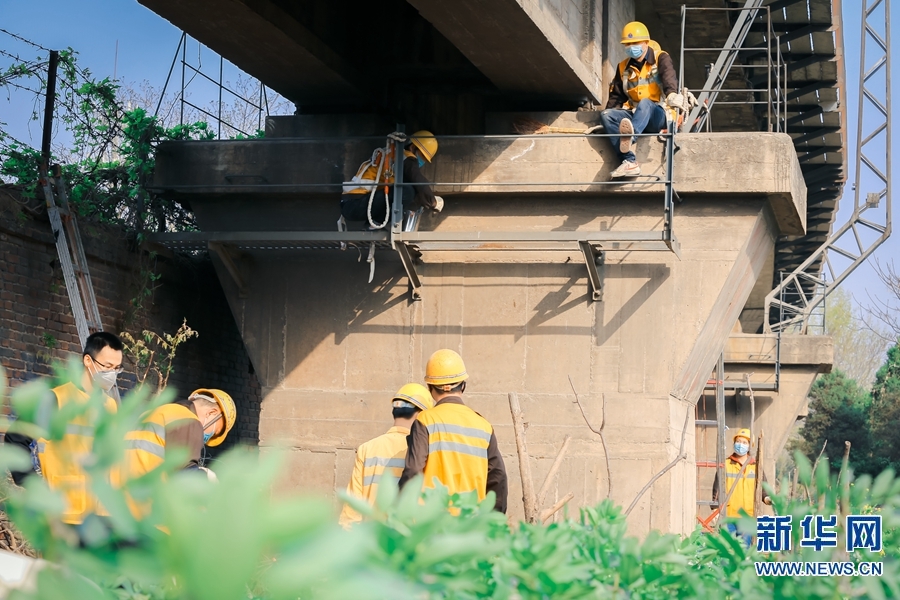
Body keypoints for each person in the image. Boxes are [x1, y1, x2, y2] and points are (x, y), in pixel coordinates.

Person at [6, 331, 123, 526]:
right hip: (62, 516)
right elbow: (15, 438)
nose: (112, 374)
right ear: (88, 360)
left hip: (99, 520)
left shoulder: (109, 406)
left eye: (117, 368)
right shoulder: (56, 399)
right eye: (108, 366)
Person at [399, 349, 508, 513]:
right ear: (463, 385)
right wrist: (492, 521)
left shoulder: (425, 421)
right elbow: (498, 477)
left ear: (430, 387)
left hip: (433, 524)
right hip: (469, 525)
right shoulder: (484, 426)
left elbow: (413, 471)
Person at [339, 383, 434, 527]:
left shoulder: (367, 449)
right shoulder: (423, 450)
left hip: (372, 540)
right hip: (405, 538)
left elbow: (352, 508)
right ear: (421, 415)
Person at [599, 21, 682, 179]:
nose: (631, 47)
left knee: (645, 102)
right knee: (607, 115)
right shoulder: (623, 67)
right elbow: (616, 98)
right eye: (628, 44)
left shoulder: (660, 58)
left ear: (646, 42)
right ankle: (629, 162)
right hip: (637, 116)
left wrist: (671, 94)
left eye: (635, 43)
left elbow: (669, 77)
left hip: (660, 115)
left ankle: (629, 138)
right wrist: (607, 123)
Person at [121, 388, 236, 481]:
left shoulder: (155, 413)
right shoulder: (187, 420)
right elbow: (184, 477)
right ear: (211, 413)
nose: (207, 438)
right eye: (213, 432)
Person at [341, 130, 444, 229]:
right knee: (406, 191)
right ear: (412, 147)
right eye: (422, 156)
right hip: (356, 203)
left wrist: (424, 200)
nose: (421, 161)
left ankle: (372, 225)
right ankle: (376, 224)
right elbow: (417, 179)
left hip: (352, 203)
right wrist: (433, 201)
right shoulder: (405, 157)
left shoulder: (394, 156)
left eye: (425, 159)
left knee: (406, 189)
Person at [712, 428, 771, 543]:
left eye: (744, 443)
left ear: (750, 446)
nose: (740, 445)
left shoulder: (755, 466)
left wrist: (767, 498)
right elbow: (717, 488)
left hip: (747, 517)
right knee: (728, 550)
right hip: (728, 516)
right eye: (738, 441)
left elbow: (763, 487)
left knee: (744, 551)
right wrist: (715, 509)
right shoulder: (726, 464)